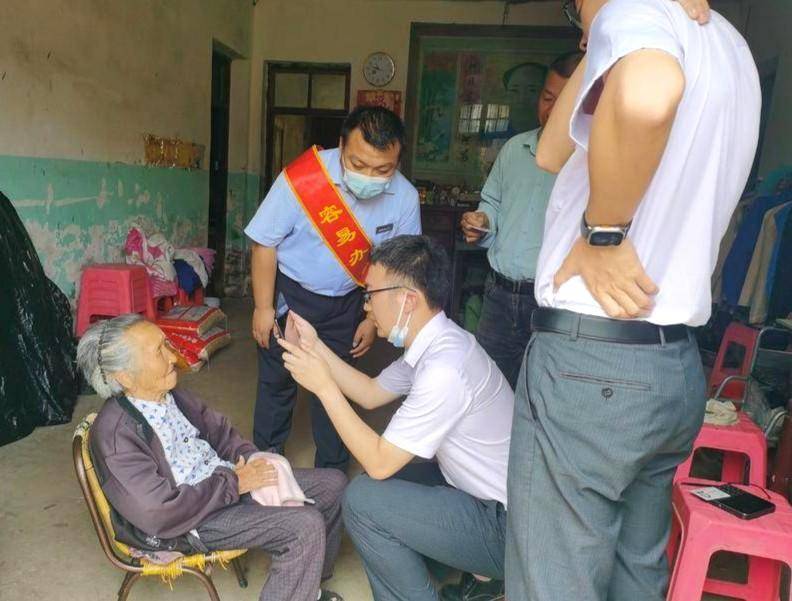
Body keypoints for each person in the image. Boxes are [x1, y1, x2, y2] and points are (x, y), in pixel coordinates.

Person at [505, 0, 759, 599]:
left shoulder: (635, 12)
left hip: (594, 361)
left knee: (556, 580)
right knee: (636, 571)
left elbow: (649, 95)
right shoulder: (729, 45)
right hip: (672, 365)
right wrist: (598, 44)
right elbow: (550, 153)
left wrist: (605, 231)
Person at [276, 235, 514, 601]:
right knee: (382, 486)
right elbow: (370, 392)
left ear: (407, 299)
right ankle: (475, 577)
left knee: (363, 500)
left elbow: (379, 462)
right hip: (478, 494)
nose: (366, 307)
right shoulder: (438, 341)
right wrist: (315, 346)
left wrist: (323, 388)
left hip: (507, 528)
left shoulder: (445, 369)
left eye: (370, 294)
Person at [76, 315, 346, 601]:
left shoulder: (171, 395)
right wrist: (234, 484)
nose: (173, 356)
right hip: (191, 520)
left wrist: (250, 458)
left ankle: (307, 588)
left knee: (333, 485)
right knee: (303, 527)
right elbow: (158, 513)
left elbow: (220, 433)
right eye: (158, 351)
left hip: (224, 482)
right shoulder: (116, 437)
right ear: (124, 377)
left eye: (166, 344)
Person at [245, 106, 422, 472]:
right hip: (291, 293)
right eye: (358, 164)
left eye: (383, 170)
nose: (369, 176)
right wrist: (263, 307)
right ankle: (267, 462)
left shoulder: (405, 197)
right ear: (341, 146)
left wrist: (372, 320)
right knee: (277, 381)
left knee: (337, 386)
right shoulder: (304, 179)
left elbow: (398, 268)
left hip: (350, 302)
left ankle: (332, 472)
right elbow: (264, 243)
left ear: (398, 161)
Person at [460, 50, 583, 389]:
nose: (552, 110)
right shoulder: (515, 149)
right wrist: (482, 221)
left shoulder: (590, 163)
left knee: (541, 391)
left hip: (551, 304)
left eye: (565, 101)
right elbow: (492, 202)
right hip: (498, 295)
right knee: (487, 387)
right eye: (547, 98)